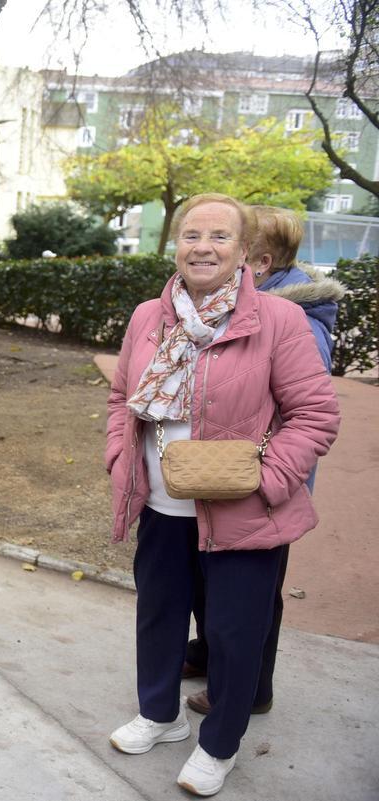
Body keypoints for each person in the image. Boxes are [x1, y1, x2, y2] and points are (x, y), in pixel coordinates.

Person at [104, 193, 339, 797]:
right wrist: (118, 459)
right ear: (175, 245)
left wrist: (268, 482)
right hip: (162, 506)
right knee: (157, 619)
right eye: (190, 235)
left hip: (244, 510)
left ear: (246, 255)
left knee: (235, 633)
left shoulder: (279, 322)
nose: (202, 247)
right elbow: (120, 400)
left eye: (218, 237)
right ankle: (161, 715)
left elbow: (313, 415)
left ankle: (220, 744)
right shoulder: (146, 318)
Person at [182, 206, 345, 715]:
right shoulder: (233, 306)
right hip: (223, 478)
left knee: (254, 597)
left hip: (263, 489)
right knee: (214, 579)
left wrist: (269, 480)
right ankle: (211, 653)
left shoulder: (293, 320)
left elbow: (307, 414)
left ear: (260, 261)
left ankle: (253, 689)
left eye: (233, 245)